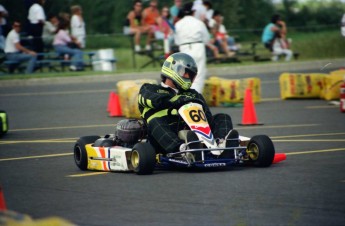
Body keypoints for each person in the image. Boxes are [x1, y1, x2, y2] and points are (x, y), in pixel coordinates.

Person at [138, 52, 239, 160]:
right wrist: (178, 100)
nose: (188, 77)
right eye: (185, 73)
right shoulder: (150, 89)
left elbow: (208, 119)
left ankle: (222, 145)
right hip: (162, 139)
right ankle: (182, 150)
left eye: (191, 75)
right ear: (172, 69)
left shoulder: (193, 94)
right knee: (155, 122)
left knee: (222, 117)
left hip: (193, 134)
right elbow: (155, 100)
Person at [174, 2, 210, 93]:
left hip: (184, 48)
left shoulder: (178, 24)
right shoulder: (199, 23)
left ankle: (185, 97)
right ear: (193, 12)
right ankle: (196, 97)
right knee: (198, 75)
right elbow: (206, 39)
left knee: (184, 74)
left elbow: (176, 41)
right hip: (198, 47)